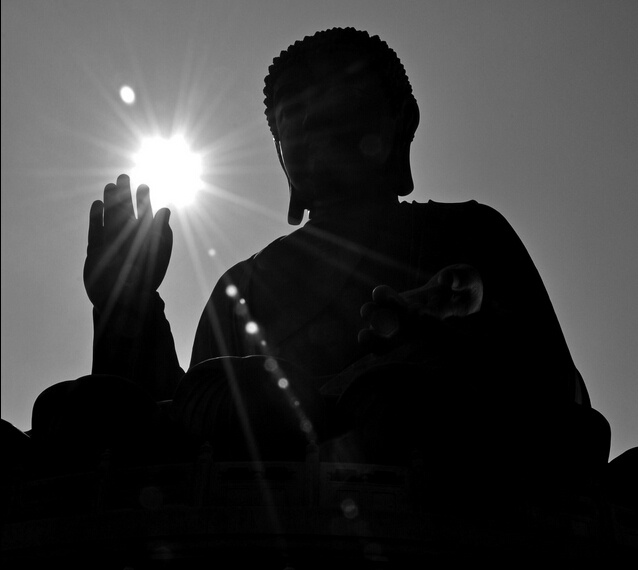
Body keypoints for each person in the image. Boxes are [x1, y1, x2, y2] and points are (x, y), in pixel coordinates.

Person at [27, 29, 609, 492]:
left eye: (338, 105)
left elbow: (557, 395)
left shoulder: (465, 232)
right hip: (265, 458)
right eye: (293, 118)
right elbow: (181, 420)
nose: (313, 129)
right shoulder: (244, 284)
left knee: (401, 398)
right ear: (279, 153)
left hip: (419, 431)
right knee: (78, 410)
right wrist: (127, 303)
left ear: (400, 123)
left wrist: (441, 346)